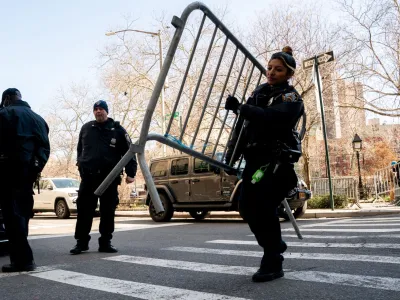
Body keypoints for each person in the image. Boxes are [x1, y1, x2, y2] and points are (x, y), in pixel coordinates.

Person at [224, 46, 304, 282]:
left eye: (278, 70)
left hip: (275, 162)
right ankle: (275, 245)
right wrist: (230, 157)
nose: (271, 72)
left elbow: (271, 119)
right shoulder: (259, 92)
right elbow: (242, 128)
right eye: (269, 68)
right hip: (255, 160)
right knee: (246, 207)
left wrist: (241, 107)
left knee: (265, 209)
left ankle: (272, 261)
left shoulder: (291, 98)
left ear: (289, 74)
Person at [70, 100, 137, 254]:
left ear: (107, 111)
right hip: (88, 178)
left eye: (101, 109)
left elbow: (130, 152)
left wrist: (131, 173)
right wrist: (80, 164)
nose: (98, 112)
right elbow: (80, 149)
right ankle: (81, 242)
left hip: (109, 178)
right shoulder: (86, 128)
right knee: (84, 210)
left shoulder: (118, 130)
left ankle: (105, 242)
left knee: (108, 211)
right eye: (96, 109)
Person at [0, 88, 50, 272]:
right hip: (28, 174)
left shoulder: (5, 114)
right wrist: (35, 169)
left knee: (12, 217)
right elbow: (45, 148)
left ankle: (23, 260)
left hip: (8, 172)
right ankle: (20, 258)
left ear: (6, 99)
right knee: (22, 214)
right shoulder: (38, 119)